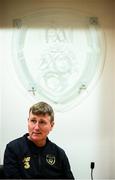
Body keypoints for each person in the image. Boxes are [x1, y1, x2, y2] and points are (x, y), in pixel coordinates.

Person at [3, 101, 74, 179]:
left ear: (51, 126)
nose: (36, 127)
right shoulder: (13, 148)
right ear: (28, 121)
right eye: (33, 121)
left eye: (42, 122)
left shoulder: (59, 153)